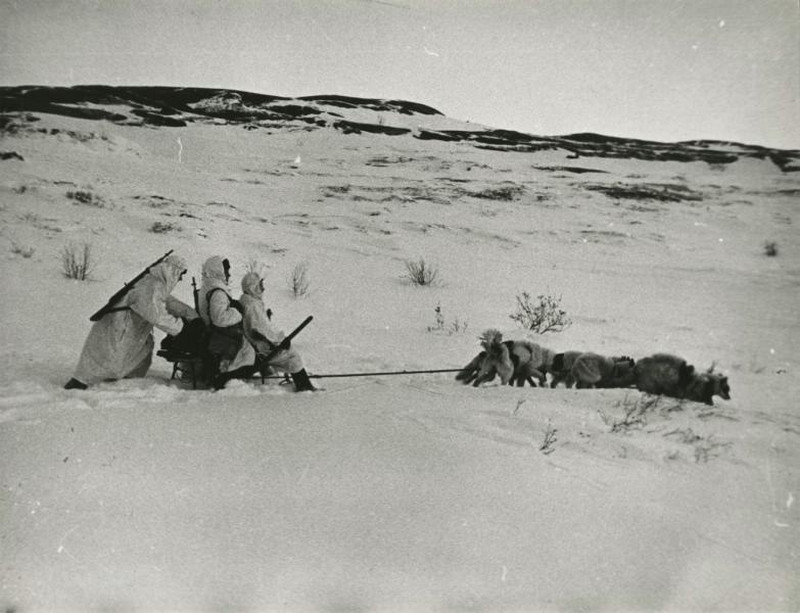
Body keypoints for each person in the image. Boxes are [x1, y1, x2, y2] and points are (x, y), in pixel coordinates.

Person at [64, 254, 194, 389]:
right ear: (173, 271)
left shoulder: (154, 283)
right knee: (107, 356)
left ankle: (124, 381)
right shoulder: (152, 285)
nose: (180, 278)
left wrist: (191, 314)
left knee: (136, 352)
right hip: (120, 326)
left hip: (127, 327)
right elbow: (156, 315)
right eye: (180, 274)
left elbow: (168, 302)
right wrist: (180, 328)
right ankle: (78, 384)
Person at [221, 271, 316, 392]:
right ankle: (305, 387)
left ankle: (301, 383)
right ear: (253, 287)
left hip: (259, 343)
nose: (263, 288)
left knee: (290, 354)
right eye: (260, 285)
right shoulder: (252, 305)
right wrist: (281, 340)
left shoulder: (248, 300)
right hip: (263, 347)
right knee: (293, 356)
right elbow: (261, 330)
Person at [197, 255, 248, 384]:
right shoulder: (218, 292)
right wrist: (238, 313)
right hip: (219, 335)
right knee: (249, 348)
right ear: (219, 271)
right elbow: (219, 319)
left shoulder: (208, 286)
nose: (228, 274)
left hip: (210, 333)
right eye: (226, 271)